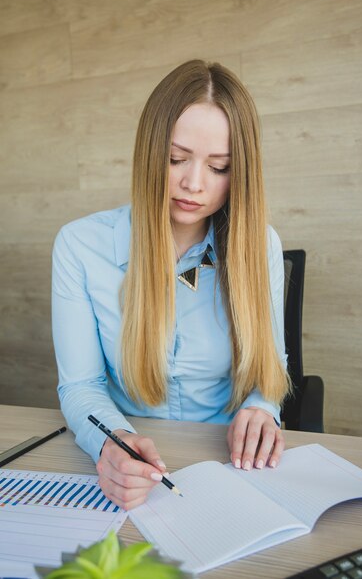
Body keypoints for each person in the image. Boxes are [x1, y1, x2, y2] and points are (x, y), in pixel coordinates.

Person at [52, 59, 291, 510]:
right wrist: (114, 441)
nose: (193, 183)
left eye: (219, 167)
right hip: (138, 453)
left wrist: (263, 408)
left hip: (228, 461)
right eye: (175, 159)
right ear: (149, 152)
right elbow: (80, 384)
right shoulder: (80, 246)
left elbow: (270, 360)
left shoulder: (261, 245)